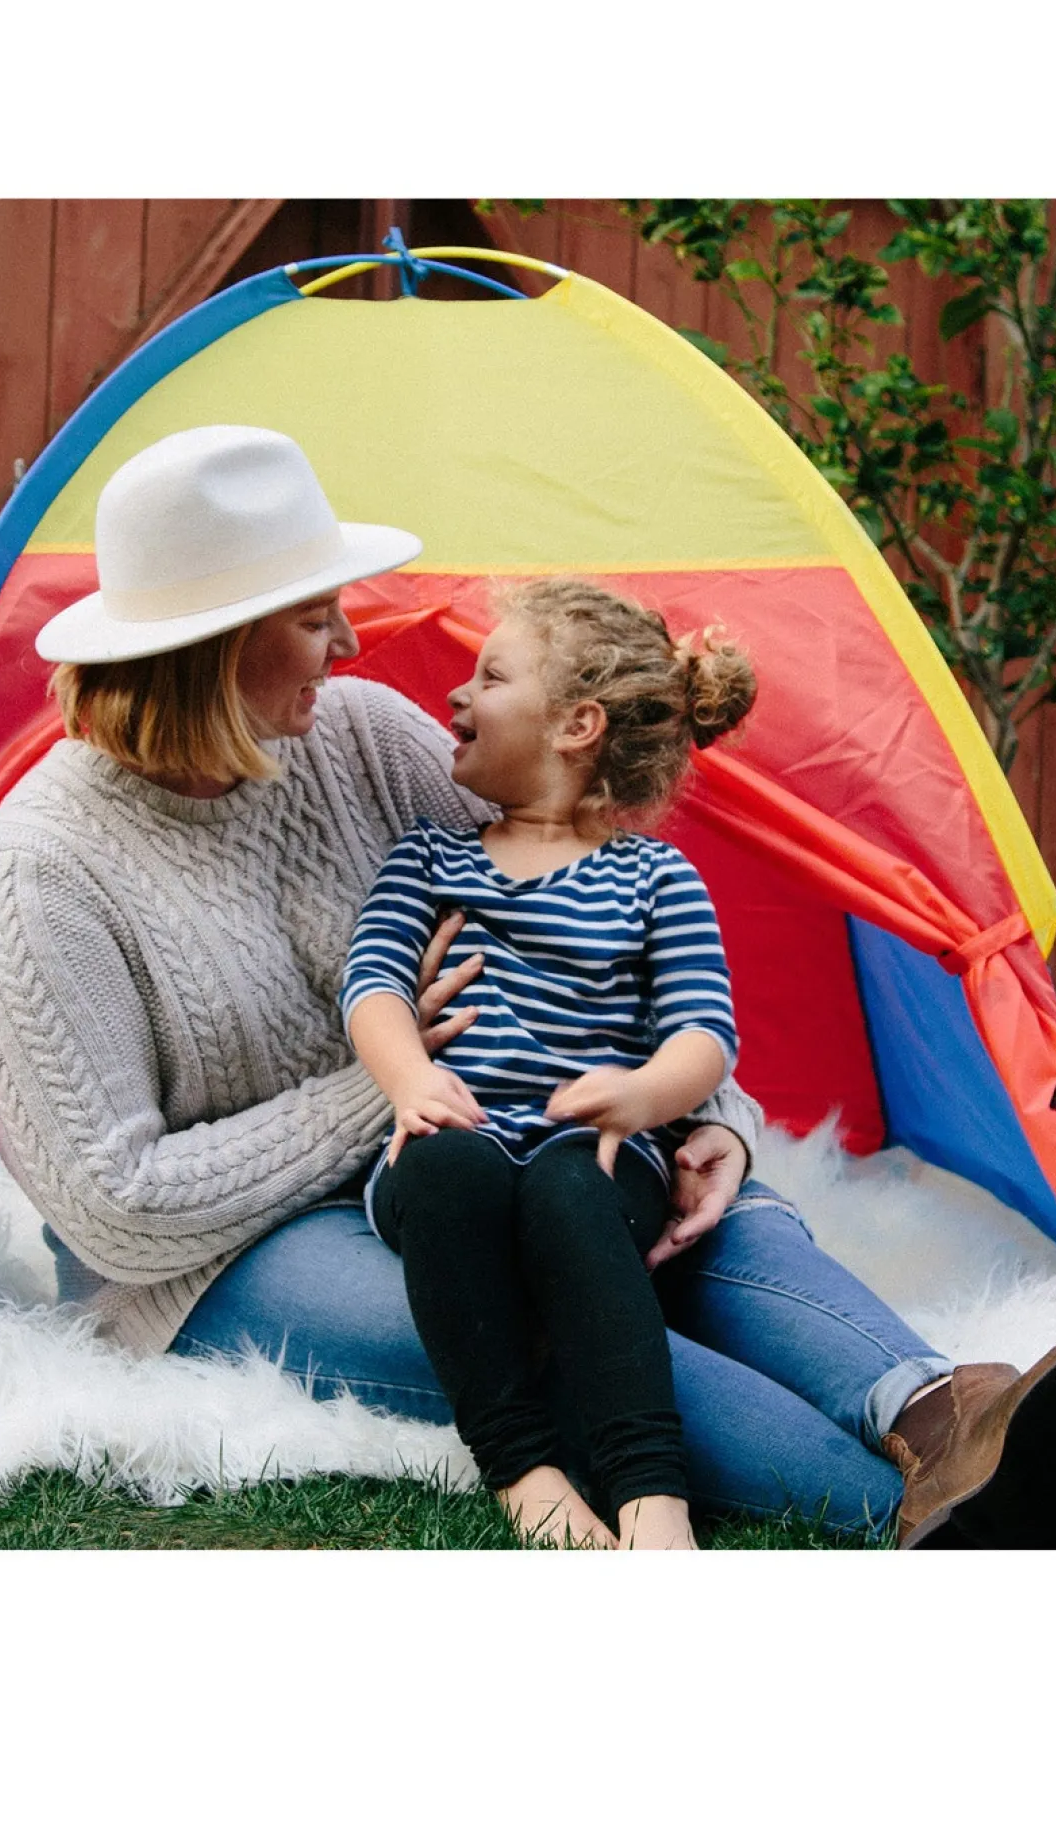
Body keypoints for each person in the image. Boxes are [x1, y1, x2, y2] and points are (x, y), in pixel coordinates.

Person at [0, 422, 1056, 1548]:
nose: (352, 644)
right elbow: (116, 1205)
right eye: (317, 617)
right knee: (544, 1317)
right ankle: (935, 1521)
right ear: (217, 645)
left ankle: (949, 1413)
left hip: (490, 1145)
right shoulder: (40, 871)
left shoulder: (363, 737)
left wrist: (707, 1122)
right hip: (223, 1253)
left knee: (686, 1216)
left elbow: (575, 926)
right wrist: (384, 1086)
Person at [342, 580, 761, 1549]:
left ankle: (651, 1498)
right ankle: (524, 1473)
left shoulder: (656, 878)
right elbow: (372, 986)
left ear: (577, 726)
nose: (458, 694)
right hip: (457, 1141)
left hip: (596, 1156)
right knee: (446, 1167)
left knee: (573, 1190)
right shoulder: (428, 857)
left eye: (491, 676)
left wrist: (643, 1094)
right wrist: (409, 1081)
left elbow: (704, 1033)